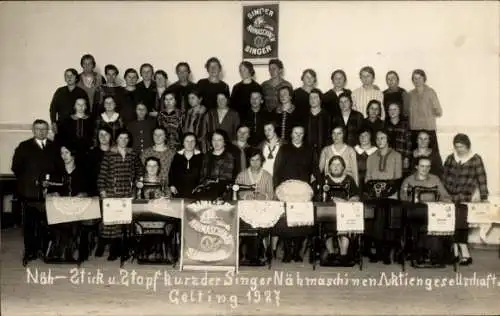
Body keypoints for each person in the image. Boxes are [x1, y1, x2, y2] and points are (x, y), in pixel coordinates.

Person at [11, 119, 60, 264]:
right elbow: (16, 168)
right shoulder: (24, 147)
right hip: (30, 193)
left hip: (48, 193)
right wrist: (32, 180)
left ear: (48, 130)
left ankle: (44, 250)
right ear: (33, 130)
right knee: (30, 224)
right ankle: (30, 252)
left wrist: (50, 182)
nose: (41, 131)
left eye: (44, 129)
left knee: (46, 224)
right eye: (38, 129)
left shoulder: (53, 146)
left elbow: (58, 168)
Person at [273, 125, 318, 263]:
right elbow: (277, 170)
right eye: (295, 133)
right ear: (291, 134)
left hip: (303, 191)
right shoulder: (284, 149)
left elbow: (316, 171)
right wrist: (277, 189)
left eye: (301, 133)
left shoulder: (310, 150)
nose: (298, 136)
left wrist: (313, 189)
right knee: (286, 221)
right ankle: (287, 252)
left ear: (304, 135)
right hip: (286, 190)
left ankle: (297, 251)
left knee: (301, 220)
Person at [97, 129, 144, 261]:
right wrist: (102, 191)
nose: (123, 140)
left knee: (125, 223)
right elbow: (102, 174)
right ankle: (114, 250)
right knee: (112, 223)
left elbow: (139, 169)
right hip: (112, 191)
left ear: (128, 140)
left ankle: (124, 249)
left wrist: (138, 181)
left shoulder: (133, 154)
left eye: (126, 138)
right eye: (121, 138)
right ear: (116, 139)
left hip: (127, 192)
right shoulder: (109, 154)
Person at [443, 134, 489, 265]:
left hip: (465, 197)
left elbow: (482, 179)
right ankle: (456, 252)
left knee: (461, 223)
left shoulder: (475, 159)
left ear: (468, 146)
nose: (459, 149)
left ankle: (464, 253)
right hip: (449, 197)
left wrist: (484, 197)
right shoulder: (451, 158)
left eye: (461, 146)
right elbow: (444, 177)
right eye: (456, 147)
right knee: (450, 223)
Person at [400, 156, 452, 265]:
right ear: (416, 167)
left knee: (437, 220)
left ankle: (433, 253)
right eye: (422, 166)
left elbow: (446, 196)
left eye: (428, 166)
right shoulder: (408, 181)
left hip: (433, 211)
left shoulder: (435, 179)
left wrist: (443, 202)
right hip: (414, 211)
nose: (425, 169)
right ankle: (422, 251)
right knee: (421, 220)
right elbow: (403, 198)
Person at [364, 129, 402, 264]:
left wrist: (386, 192)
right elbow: (368, 178)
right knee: (374, 217)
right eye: (378, 138)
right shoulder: (371, 156)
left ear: (388, 139)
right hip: (374, 193)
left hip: (391, 193)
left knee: (387, 216)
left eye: (383, 138)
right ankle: (377, 250)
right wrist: (373, 191)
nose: (380, 141)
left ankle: (386, 252)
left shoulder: (397, 156)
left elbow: (398, 179)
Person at [46, 144, 89, 262]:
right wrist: (54, 194)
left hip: (77, 207)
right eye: (62, 153)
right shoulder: (57, 172)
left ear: (73, 154)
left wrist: (83, 194)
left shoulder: (82, 172)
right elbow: (50, 191)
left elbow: (88, 191)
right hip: (60, 206)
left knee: (73, 219)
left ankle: (66, 249)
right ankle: (64, 249)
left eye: (66, 152)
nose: (64, 156)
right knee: (62, 218)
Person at [235, 149, 274, 265]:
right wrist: (246, 196)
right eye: (252, 160)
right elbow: (237, 192)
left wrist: (264, 196)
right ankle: (252, 254)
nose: (255, 163)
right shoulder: (242, 175)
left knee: (259, 225)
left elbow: (271, 194)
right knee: (247, 223)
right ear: (248, 161)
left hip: (262, 210)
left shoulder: (267, 176)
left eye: (258, 160)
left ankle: (254, 254)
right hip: (246, 210)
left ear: (262, 161)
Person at [321, 156, 360, 266]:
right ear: (329, 167)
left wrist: (349, 201)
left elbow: (356, 196)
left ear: (343, 167)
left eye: (339, 165)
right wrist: (333, 200)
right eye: (333, 164)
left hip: (345, 214)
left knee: (345, 224)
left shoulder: (349, 180)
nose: (336, 167)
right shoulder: (325, 180)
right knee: (325, 225)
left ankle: (343, 255)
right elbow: (319, 197)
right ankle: (331, 253)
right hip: (328, 213)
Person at [85, 126, 112, 258]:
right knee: (99, 219)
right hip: (95, 191)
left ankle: (111, 243)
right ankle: (100, 243)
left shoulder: (115, 151)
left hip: (112, 191)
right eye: (101, 134)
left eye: (106, 134)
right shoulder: (92, 153)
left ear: (110, 136)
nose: (103, 137)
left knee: (110, 218)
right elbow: (88, 174)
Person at [407, 69, 443, 154]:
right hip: (414, 130)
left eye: (420, 78)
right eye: (415, 78)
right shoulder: (410, 94)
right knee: (416, 156)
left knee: (432, 156)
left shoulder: (431, 92)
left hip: (428, 129)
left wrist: (428, 114)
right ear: (412, 80)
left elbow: (439, 112)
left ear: (424, 79)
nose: (417, 80)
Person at [197, 130, 236, 199]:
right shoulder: (207, 155)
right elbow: (202, 176)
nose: (216, 143)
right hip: (205, 194)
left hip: (223, 195)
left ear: (224, 142)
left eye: (219, 140)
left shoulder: (229, 156)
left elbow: (226, 179)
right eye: (214, 140)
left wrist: (208, 182)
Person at [49, 68, 89, 134]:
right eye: (67, 76)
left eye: (72, 76)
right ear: (65, 78)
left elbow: (87, 110)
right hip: (61, 125)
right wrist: (53, 123)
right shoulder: (59, 91)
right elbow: (53, 108)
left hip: (77, 125)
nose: (69, 77)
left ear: (76, 78)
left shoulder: (82, 92)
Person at [168, 133, 203, 198]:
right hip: (178, 191)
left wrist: (200, 187)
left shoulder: (201, 157)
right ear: (183, 143)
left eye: (192, 141)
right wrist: (172, 185)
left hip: (197, 191)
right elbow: (171, 172)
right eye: (187, 141)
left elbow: (205, 174)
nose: (190, 144)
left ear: (195, 143)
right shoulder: (177, 156)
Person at [385, 102, 412, 175]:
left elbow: (409, 143)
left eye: (395, 109)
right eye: (390, 110)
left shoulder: (405, 124)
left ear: (399, 111)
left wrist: (407, 158)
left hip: (401, 158)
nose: (392, 112)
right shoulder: (385, 125)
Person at [306, 89, 332, 157]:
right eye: (311, 98)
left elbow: (330, 136)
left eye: (315, 97)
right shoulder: (303, 116)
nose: (312, 100)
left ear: (320, 100)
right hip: (306, 153)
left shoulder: (327, 116)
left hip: (323, 153)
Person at [354, 128, 378, 193]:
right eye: (361, 135)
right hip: (355, 184)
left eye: (366, 135)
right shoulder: (353, 151)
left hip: (372, 184)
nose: (363, 138)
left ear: (371, 136)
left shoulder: (377, 152)